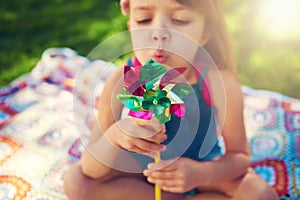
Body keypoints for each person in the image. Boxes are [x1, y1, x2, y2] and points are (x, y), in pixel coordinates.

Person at [63, 0, 279, 199]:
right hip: (142, 171)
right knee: (77, 181)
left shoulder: (219, 82)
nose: (159, 33)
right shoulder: (120, 79)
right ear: (130, 25)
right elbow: (90, 168)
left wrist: (201, 174)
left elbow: (239, 157)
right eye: (144, 20)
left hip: (201, 168)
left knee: (260, 195)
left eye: (180, 20)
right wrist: (116, 134)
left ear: (205, 33)